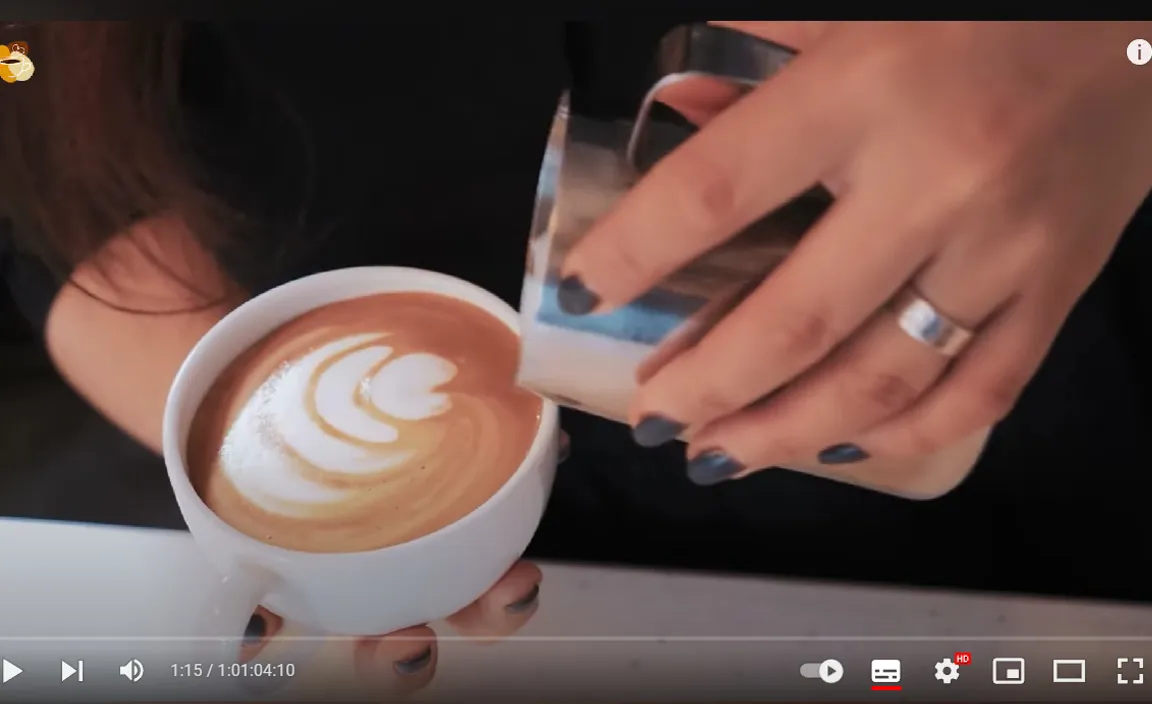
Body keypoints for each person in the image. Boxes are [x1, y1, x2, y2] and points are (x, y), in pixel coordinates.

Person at [1, 19, 1150, 693]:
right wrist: (279, 479)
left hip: (1023, 381)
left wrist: (1116, 56)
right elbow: (26, 105)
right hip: (510, 523)